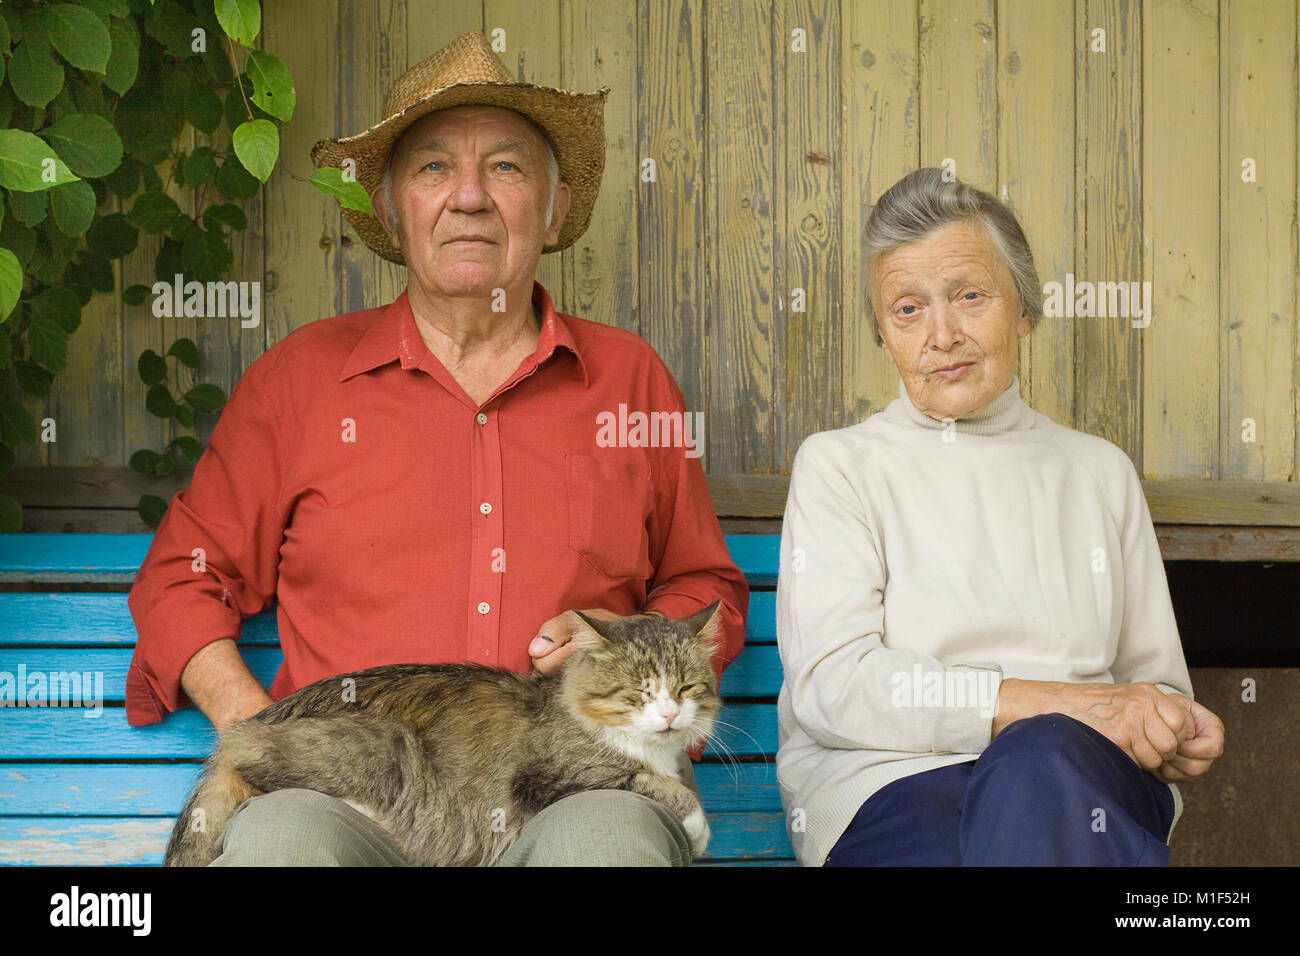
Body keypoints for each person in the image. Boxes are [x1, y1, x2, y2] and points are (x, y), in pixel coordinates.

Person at [126, 32, 748, 866]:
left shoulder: (629, 380)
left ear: (555, 207)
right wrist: (263, 732)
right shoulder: (298, 383)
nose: (468, 197)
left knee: (613, 846)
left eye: (506, 167)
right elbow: (180, 578)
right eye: (431, 169)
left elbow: (702, 583)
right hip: (359, 797)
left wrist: (632, 648)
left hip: (577, 785)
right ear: (390, 210)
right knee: (280, 843)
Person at [775, 167, 1225, 866]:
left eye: (970, 296)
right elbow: (834, 690)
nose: (942, 334)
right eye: (908, 310)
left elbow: (1155, 683)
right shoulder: (841, 467)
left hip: (1080, 778)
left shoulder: (1097, 472)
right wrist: (1065, 704)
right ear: (885, 335)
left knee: (1037, 767)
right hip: (896, 785)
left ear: (1024, 309)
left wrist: (1166, 724)